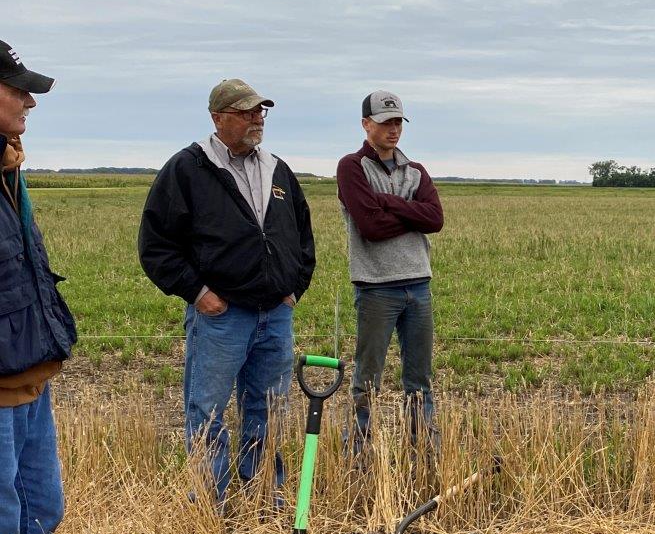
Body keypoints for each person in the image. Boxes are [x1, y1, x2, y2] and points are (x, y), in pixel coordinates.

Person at [139, 79, 315, 508]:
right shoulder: (187, 169)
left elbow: (303, 236)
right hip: (221, 317)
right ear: (218, 118)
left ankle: (262, 498)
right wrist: (199, 294)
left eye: (261, 111)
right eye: (247, 111)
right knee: (208, 412)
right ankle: (208, 505)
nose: (257, 118)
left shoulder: (277, 169)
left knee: (269, 411)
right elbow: (156, 244)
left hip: (275, 314)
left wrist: (293, 287)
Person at [0, 40, 76, 534]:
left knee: (40, 509)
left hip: (28, 376)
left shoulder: (9, 173)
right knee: (1, 523)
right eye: (17, 88)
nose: (29, 100)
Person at [336, 91, 444, 452]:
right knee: (367, 381)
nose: (393, 129)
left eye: (398, 122)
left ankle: (424, 453)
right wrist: (411, 213)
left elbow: (436, 219)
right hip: (376, 287)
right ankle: (360, 458)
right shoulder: (352, 167)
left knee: (420, 380)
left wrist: (388, 203)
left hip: (419, 284)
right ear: (367, 124)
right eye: (385, 123)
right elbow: (371, 227)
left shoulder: (416, 170)